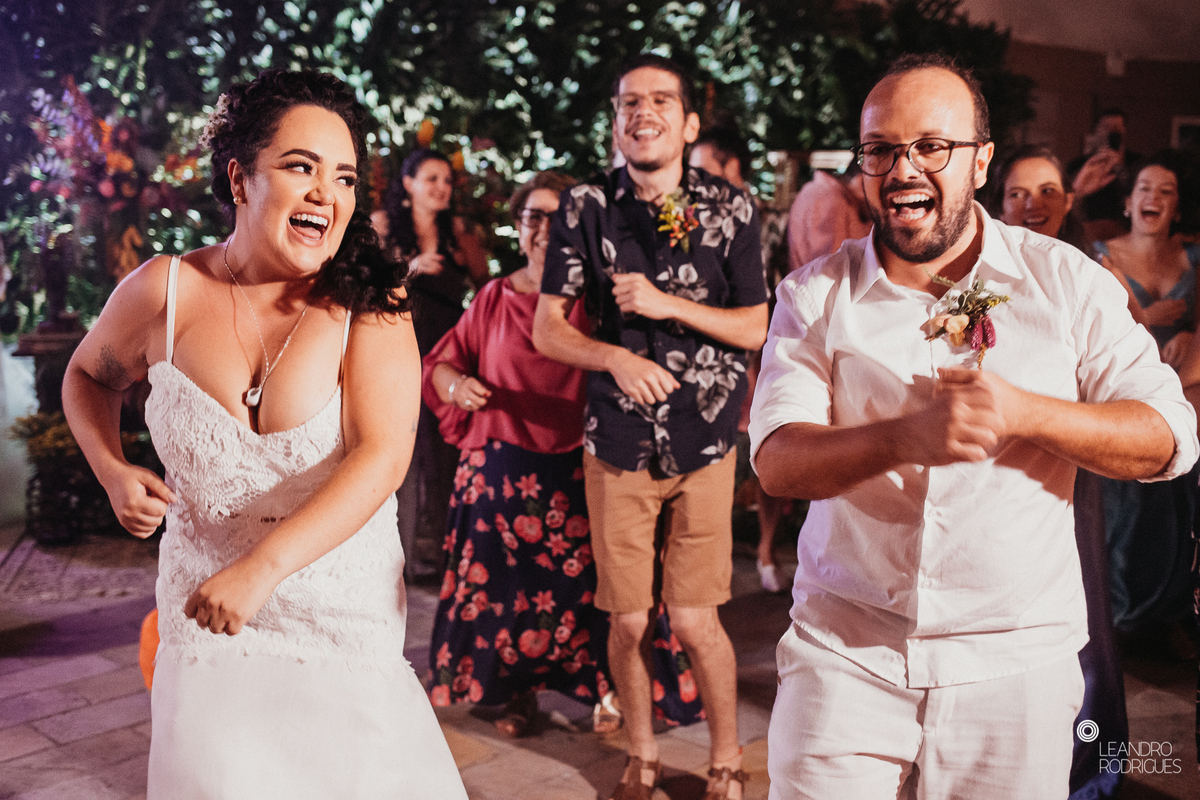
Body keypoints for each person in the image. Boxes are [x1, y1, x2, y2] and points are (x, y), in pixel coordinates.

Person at [750, 54, 1198, 798]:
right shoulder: (813, 295)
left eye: (932, 146)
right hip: (846, 655)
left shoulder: (1066, 283)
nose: (903, 169)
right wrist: (900, 436)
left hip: (1015, 666)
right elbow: (777, 461)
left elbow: (1167, 436)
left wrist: (1026, 412)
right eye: (881, 149)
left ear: (981, 159)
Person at [61, 70, 467, 798]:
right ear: (240, 179)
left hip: (341, 623)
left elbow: (383, 457)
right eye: (300, 167)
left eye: (343, 177)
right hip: (206, 622)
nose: (326, 193)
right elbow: (88, 377)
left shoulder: (369, 302)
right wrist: (113, 469)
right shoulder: (165, 290)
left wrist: (263, 569)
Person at [534, 54, 768, 800]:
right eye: (629, 101)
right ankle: (640, 753)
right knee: (629, 621)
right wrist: (612, 357)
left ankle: (726, 756)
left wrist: (670, 307)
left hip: (703, 441)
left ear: (689, 122)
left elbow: (757, 325)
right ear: (615, 121)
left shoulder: (733, 209)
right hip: (618, 443)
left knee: (698, 622)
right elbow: (548, 329)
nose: (644, 112)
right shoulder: (583, 208)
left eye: (661, 100)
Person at [422, 170, 614, 735]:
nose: (545, 230)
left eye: (559, 219)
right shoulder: (493, 297)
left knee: (589, 588)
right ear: (518, 225)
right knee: (505, 594)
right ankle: (516, 697)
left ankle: (607, 687)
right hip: (499, 471)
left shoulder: (598, 299)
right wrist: (459, 387)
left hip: (578, 468)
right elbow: (438, 365)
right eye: (534, 217)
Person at [991, 143, 1125, 799]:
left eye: (1048, 191)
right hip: (994, 477)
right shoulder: (973, 276)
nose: (1032, 204)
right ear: (998, 202)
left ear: (1067, 203)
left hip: (1069, 467)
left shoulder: (1086, 273)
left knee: (1085, 607)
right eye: (1018, 192)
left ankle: (1090, 766)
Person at [1094, 153, 1200, 653]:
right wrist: (1151, 316)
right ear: (1128, 200)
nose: (1153, 198)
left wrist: (1193, 336)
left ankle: (1172, 610)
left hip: (1187, 385)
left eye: (1166, 190)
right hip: (1127, 386)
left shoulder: (1194, 258)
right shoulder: (1103, 255)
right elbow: (1112, 328)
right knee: (1130, 495)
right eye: (1144, 188)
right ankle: (1120, 613)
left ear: (1177, 207)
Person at [372, 149, 489, 578]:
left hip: (446, 351)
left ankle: (443, 553)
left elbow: (486, 289)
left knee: (444, 452)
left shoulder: (459, 232)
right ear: (408, 183)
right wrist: (411, 268)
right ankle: (393, 553)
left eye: (446, 180)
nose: (441, 188)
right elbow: (361, 284)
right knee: (397, 447)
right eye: (431, 179)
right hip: (394, 346)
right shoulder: (382, 227)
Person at [689, 117, 791, 593]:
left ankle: (767, 549)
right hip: (710, 352)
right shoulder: (690, 218)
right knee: (720, 454)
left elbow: (787, 282)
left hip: (765, 350)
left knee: (768, 446)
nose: (693, 181)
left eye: (702, 169)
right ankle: (711, 554)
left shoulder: (769, 220)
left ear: (731, 167)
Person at [1069, 109, 1139, 243]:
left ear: (1125, 131)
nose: (1112, 131)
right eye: (1106, 127)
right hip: (1088, 234)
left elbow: (1136, 193)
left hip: (1127, 235)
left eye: (1118, 127)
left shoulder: (1137, 164)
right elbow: (1070, 198)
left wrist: (1119, 168)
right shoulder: (1078, 165)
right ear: (1096, 132)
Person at [787, 164, 872, 273]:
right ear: (861, 180)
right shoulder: (836, 201)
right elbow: (836, 267)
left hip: (804, 282)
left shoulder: (810, 191)